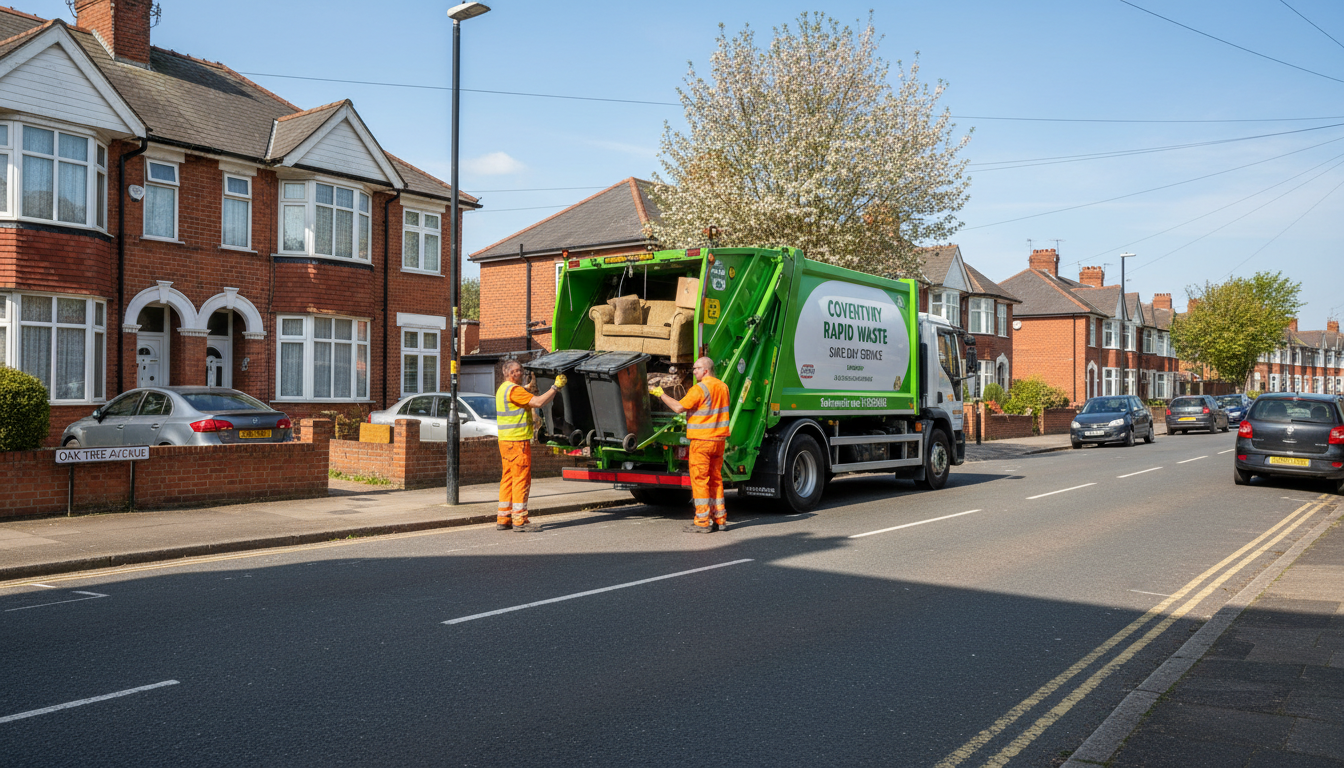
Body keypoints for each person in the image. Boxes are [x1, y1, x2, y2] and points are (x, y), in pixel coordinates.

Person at [653, 356, 731, 533]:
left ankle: (702, 522)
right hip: (719, 441)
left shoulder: (699, 389)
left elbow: (679, 407)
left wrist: (661, 394)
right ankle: (720, 519)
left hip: (702, 441)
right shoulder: (723, 387)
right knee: (716, 479)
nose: (694, 371)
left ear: (706, 370)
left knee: (700, 480)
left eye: (696, 368)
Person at [496, 359, 564, 532]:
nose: (522, 372)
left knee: (508, 478)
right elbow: (539, 402)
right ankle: (519, 519)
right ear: (511, 373)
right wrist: (555, 387)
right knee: (521, 479)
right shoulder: (515, 390)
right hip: (517, 442)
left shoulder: (503, 388)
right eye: (518, 370)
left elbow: (523, 392)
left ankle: (503, 518)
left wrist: (531, 384)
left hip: (505, 442)